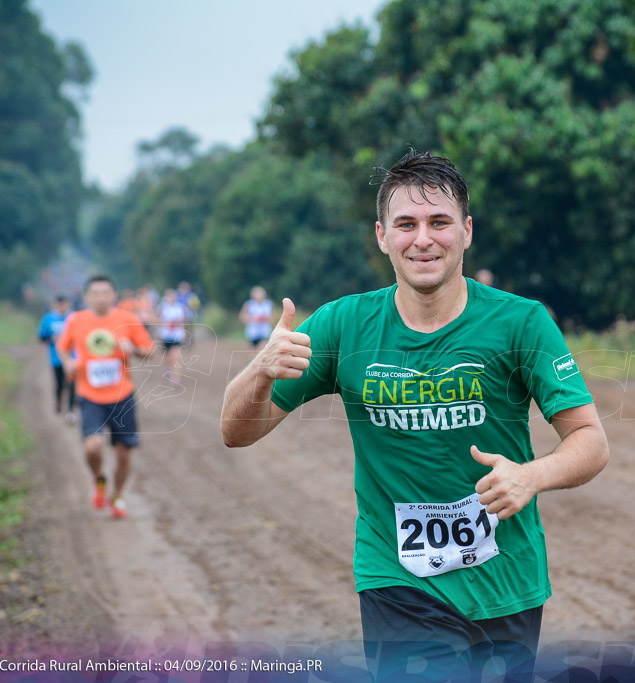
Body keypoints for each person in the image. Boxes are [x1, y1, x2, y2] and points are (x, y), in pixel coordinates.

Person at [220, 149, 609, 681]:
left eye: (439, 223)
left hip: (508, 582)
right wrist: (260, 371)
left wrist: (532, 476)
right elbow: (237, 432)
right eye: (406, 224)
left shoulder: (521, 323)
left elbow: (590, 439)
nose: (422, 239)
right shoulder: (343, 325)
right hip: (397, 579)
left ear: (466, 231)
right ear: (382, 235)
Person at [57, 275, 155, 519]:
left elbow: (150, 351)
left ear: (114, 296)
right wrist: (69, 362)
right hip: (90, 395)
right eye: (95, 293)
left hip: (122, 396)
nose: (101, 297)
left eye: (105, 293)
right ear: (87, 296)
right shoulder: (77, 320)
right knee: (93, 446)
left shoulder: (127, 319)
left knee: (123, 453)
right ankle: (99, 479)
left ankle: (118, 496)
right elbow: (62, 347)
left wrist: (134, 350)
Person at [37, 295, 76, 423]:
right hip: (56, 358)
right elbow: (41, 337)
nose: (62, 307)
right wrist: (52, 338)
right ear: (55, 305)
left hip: (73, 358)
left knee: (72, 384)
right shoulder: (48, 318)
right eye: (59, 304)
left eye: (64, 304)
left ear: (68, 304)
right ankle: (59, 401)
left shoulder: (74, 317)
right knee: (60, 384)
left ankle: (70, 411)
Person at [156, 288, 187, 386]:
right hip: (166, 336)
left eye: (173, 295)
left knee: (176, 357)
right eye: (170, 296)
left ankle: (176, 378)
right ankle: (167, 368)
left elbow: (183, 320)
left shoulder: (179, 307)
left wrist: (178, 323)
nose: (172, 298)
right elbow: (157, 319)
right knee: (168, 357)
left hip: (177, 336)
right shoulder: (163, 308)